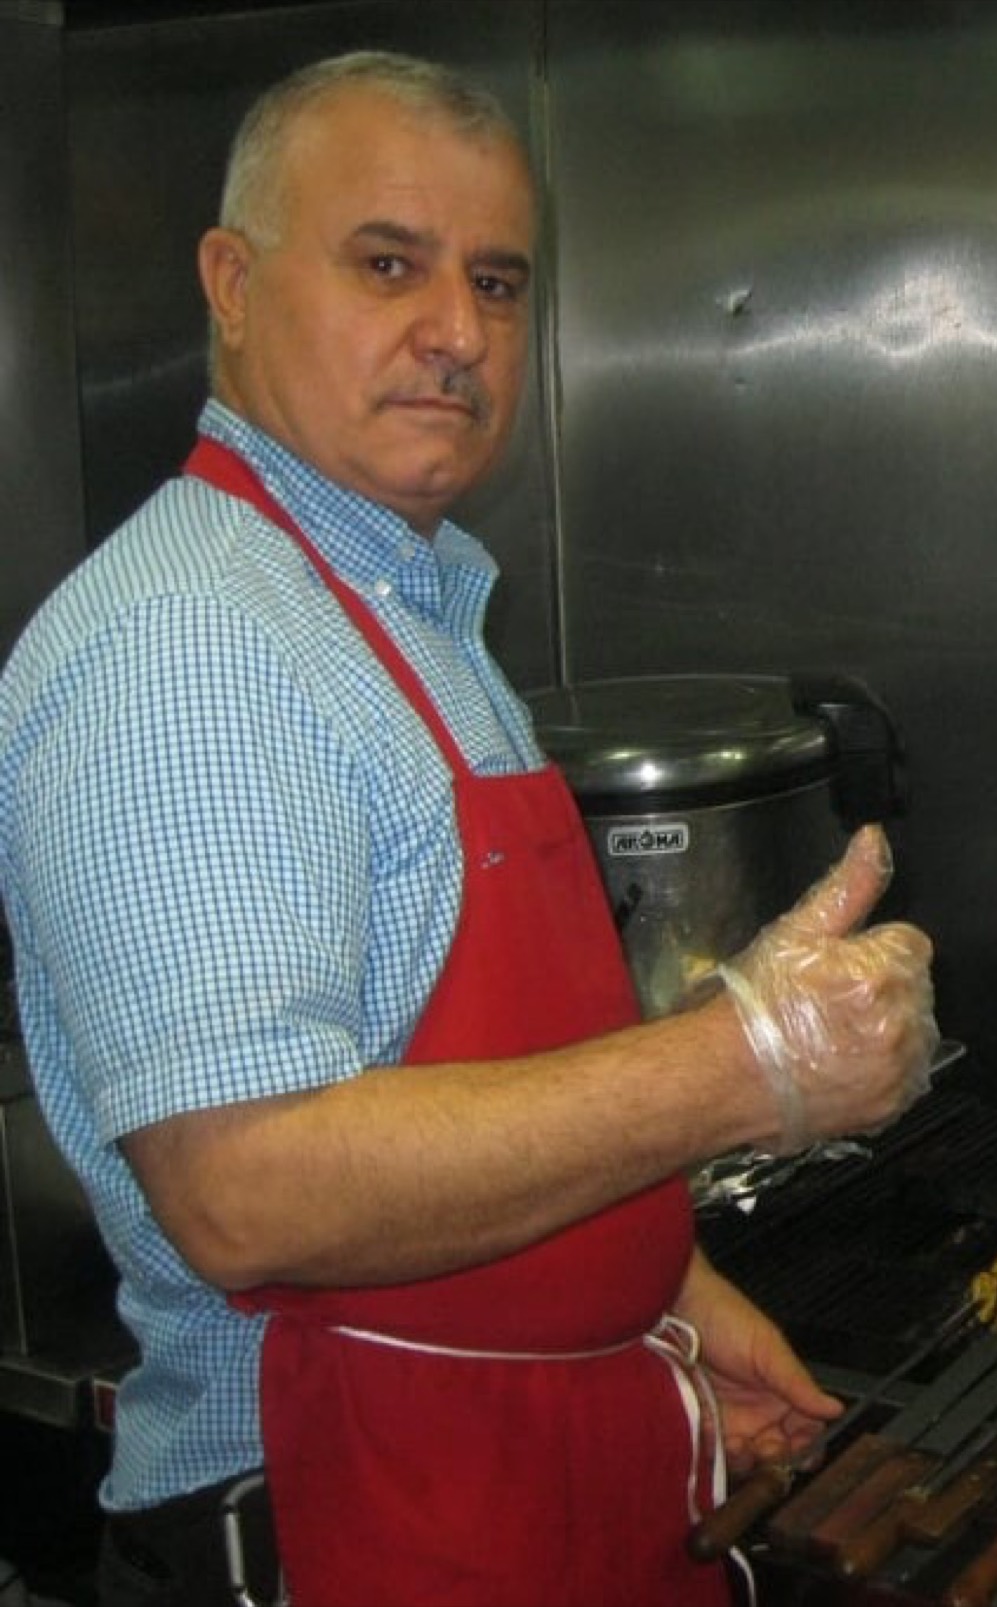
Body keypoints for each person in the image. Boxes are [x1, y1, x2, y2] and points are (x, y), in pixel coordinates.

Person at [0, 50, 939, 1607]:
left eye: (497, 283)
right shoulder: (190, 646)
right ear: (230, 284)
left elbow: (470, 1085)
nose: (457, 334)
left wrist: (676, 1295)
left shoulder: (403, 606)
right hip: (334, 1516)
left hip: (524, 1469)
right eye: (388, 264)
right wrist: (742, 1065)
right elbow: (247, 1188)